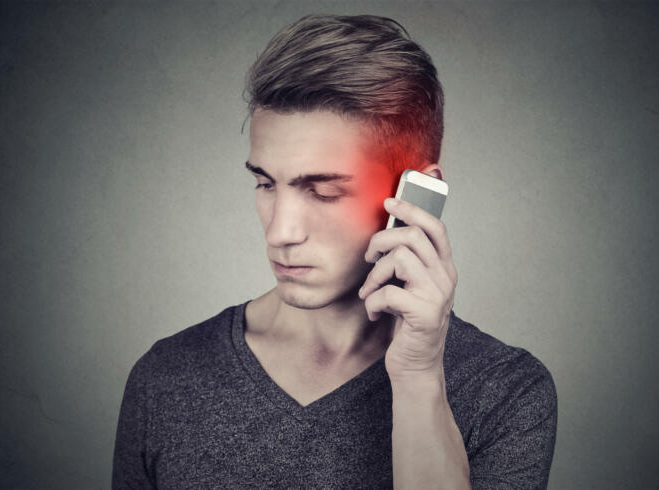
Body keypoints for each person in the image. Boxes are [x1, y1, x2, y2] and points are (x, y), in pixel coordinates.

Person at [112, 14, 557, 489]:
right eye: (265, 183)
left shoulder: (505, 393)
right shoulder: (167, 378)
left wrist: (418, 378)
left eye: (322, 191)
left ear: (416, 196)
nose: (280, 231)